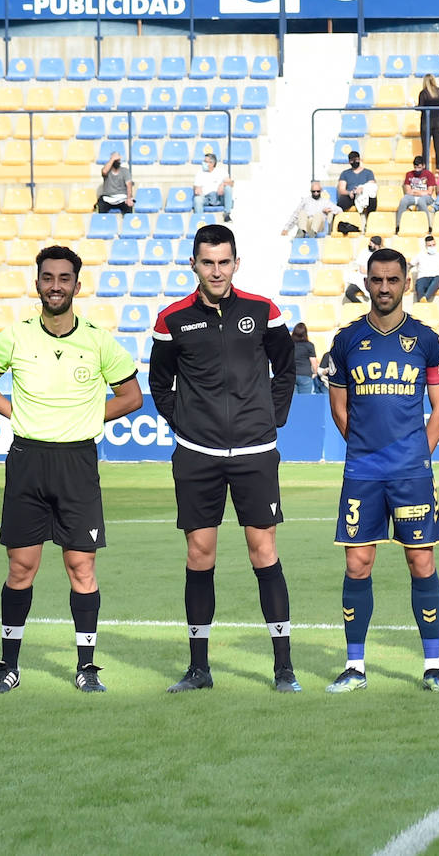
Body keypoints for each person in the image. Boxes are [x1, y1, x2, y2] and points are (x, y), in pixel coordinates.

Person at [0, 244, 143, 694]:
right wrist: (14, 412)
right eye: (48, 278)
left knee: (80, 566)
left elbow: (131, 396)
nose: (55, 286)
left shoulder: (99, 340)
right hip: (27, 460)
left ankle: (86, 667)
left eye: (64, 278)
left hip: (77, 463)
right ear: (38, 283)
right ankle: (9, 666)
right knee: (21, 566)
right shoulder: (17, 336)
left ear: (77, 286)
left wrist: (87, 418)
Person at [148, 225, 299, 693]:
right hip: (197, 455)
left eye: (224, 262)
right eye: (208, 262)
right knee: (200, 553)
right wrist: (187, 424)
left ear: (236, 263)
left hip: (255, 452)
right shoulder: (171, 319)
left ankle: (283, 668)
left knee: (264, 551)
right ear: (194, 264)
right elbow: (159, 384)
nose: (216, 270)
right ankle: (199, 669)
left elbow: (286, 367)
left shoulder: (263, 311)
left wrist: (270, 418)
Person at [324, 247, 439, 693]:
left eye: (391, 280)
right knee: (357, 563)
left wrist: (420, 453)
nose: (383, 288)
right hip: (362, 471)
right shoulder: (346, 341)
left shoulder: (426, 340)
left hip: (411, 473)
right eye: (376, 280)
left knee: (421, 561)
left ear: (405, 281)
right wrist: (363, 448)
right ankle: (355, 666)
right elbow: (339, 406)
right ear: (367, 281)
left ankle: (433, 665)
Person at [416, 74, 439, 170]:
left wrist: (414, 106)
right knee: (438, 146)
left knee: (425, 147)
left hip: (426, 122)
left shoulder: (423, 93)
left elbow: (420, 107)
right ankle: (437, 169)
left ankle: (425, 169)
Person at [396, 155, 438, 233]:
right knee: (403, 200)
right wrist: (420, 192)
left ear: (423, 166)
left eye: (419, 167)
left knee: (421, 201)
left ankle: (427, 225)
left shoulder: (429, 174)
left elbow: (429, 192)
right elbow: (408, 191)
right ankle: (399, 225)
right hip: (412, 195)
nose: (417, 170)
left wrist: (416, 192)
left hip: (426, 197)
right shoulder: (409, 174)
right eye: (415, 167)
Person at [192, 152, 233, 221]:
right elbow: (196, 188)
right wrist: (198, 190)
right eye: (204, 161)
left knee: (228, 188)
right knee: (197, 199)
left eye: (206, 161)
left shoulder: (221, 172)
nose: (203, 163)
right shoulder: (200, 173)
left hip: (219, 197)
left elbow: (231, 183)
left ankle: (227, 214)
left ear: (212, 163)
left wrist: (222, 185)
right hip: (206, 198)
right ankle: (199, 220)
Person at [411, 234, 439, 302]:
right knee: (419, 283)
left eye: (433, 245)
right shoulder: (420, 255)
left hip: (436, 279)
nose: (432, 247)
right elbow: (410, 264)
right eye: (430, 245)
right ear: (426, 246)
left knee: (437, 278)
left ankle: (425, 298)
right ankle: (422, 301)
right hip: (422, 278)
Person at [337, 151, 378, 216]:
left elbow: (371, 185)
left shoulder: (368, 172)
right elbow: (341, 189)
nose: (354, 162)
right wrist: (349, 192)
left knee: (372, 200)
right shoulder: (345, 173)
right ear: (349, 161)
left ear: (359, 159)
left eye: (356, 160)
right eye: (352, 160)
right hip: (351, 195)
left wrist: (362, 188)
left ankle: (370, 220)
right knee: (342, 202)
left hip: (364, 195)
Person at [345, 236, 381, 303]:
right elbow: (362, 270)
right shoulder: (364, 252)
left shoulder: (382, 254)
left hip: (375, 280)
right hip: (361, 278)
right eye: (370, 243)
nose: (370, 245)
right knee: (349, 292)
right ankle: (361, 306)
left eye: (372, 243)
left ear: (377, 245)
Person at [291, 323, 321, 394]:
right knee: (304, 400)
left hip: (291, 374)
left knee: (293, 401)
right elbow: (314, 362)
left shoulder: (289, 345)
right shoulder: (309, 345)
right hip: (305, 375)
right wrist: (315, 373)